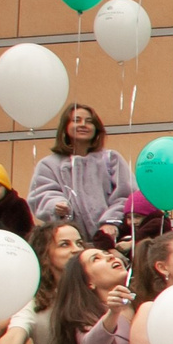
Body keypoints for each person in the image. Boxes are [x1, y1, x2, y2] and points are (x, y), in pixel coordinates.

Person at [30, 103, 134, 247]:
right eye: (76, 120)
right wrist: (56, 205)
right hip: (68, 244)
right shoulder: (49, 164)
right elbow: (42, 193)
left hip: (109, 242)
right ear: (65, 127)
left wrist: (110, 222)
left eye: (89, 121)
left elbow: (127, 195)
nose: (83, 125)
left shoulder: (111, 159)